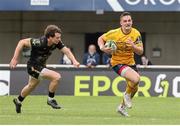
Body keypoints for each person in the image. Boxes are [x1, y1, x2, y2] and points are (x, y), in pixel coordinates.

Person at [10, 25, 80, 113]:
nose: (59, 39)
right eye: (57, 37)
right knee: (56, 77)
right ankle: (50, 99)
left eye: (59, 37)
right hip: (33, 67)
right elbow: (21, 42)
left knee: (31, 86)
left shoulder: (57, 42)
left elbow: (66, 51)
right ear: (49, 37)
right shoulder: (39, 42)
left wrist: (74, 61)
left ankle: (18, 100)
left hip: (41, 66)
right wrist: (15, 58)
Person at [98, 12, 143, 117]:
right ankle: (126, 95)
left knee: (134, 88)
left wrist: (133, 46)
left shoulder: (136, 33)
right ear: (121, 23)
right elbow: (100, 39)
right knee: (136, 79)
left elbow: (140, 51)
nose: (127, 23)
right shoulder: (114, 33)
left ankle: (121, 107)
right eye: (125, 21)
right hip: (117, 63)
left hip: (130, 63)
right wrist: (102, 48)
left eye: (129, 20)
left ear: (132, 21)